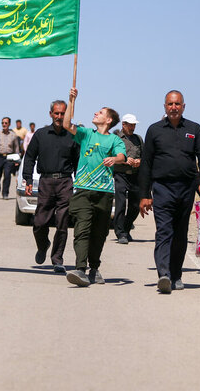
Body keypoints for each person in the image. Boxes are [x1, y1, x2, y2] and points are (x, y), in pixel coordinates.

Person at [139, 90, 200, 294]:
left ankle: (176, 274)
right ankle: (163, 274)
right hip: (162, 188)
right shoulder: (154, 130)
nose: (174, 107)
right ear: (164, 107)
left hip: (186, 188)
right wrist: (144, 194)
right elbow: (146, 164)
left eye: (177, 104)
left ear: (183, 106)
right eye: (170, 104)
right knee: (164, 230)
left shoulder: (194, 129)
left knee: (180, 233)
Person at [63, 87, 126, 287]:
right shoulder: (85, 134)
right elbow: (66, 124)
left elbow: (122, 157)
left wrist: (114, 158)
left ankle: (94, 268)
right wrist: (71, 100)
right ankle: (80, 269)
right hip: (83, 190)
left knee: (99, 233)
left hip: (105, 193)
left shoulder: (114, 139)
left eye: (100, 112)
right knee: (82, 229)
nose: (95, 113)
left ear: (108, 120)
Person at [23, 101, 79, 274]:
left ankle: (57, 259)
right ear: (50, 114)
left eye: (63, 114)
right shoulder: (40, 134)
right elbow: (30, 157)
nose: (59, 117)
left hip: (65, 182)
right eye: (56, 113)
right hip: (46, 182)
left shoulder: (72, 136)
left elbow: (78, 161)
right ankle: (43, 245)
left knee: (62, 223)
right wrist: (28, 180)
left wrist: (80, 182)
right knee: (40, 222)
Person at [112, 114, 144, 244]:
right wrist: (124, 161)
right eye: (130, 125)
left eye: (134, 125)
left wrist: (139, 161)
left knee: (135, 205)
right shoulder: (115, 138)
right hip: (120, 175)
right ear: (123, 125)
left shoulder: (138, 139)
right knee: (120, 204)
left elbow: (145, 156)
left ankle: (126, 228)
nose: (132, 127)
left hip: (135, 176)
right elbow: (111, 155)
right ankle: (120, 233)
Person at [0, 117, 21, 199]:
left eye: (6, 123)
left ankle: (5, 193)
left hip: (9, 158)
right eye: (2, 123)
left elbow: (16, 148)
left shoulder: (13, 135)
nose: (4, 124)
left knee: (7, 175)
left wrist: (17, 159)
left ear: (9, 124)